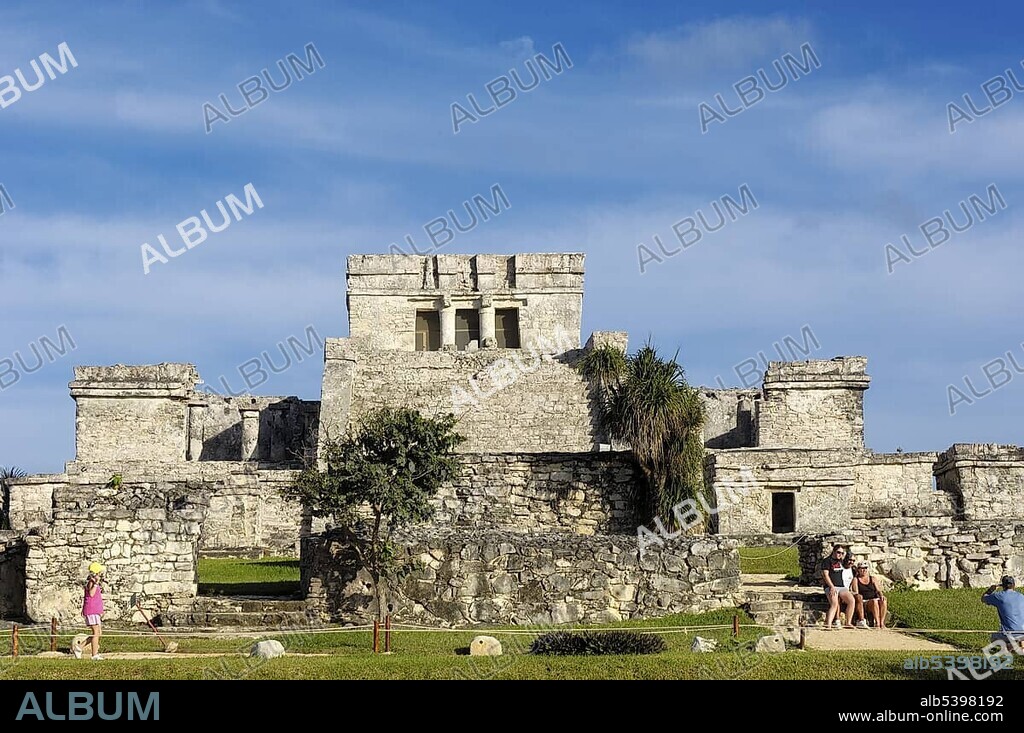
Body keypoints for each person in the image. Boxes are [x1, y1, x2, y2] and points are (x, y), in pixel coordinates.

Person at [982, 575, 1024, 650]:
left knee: (993, 638)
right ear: (1014, 585)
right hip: (1023, 632)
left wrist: (991, 590)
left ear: (1002, 586)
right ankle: (1019, 644)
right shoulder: (1021, 596)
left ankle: (1011, 646)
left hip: (1010, 633)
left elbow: (984, 598)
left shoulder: (999, 596)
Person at [820, 545, 856, 629]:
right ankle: (828, 623)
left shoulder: (841, 561)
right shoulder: (827, 561)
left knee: (851, 600)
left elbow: (849, 563)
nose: (840, 554)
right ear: (834, 551)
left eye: (842, 553)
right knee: (834, 603)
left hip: (841, 586)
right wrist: (831, 586)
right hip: (831, 586)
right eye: (838, 552)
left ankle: (848, 622)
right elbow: (825, 575)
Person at [76, 561, 105, 660]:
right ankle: (94, 655)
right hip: (91, 610)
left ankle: (79, 647)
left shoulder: (93, 582)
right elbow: (92, 594)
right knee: (96, 632)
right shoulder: (91, 582)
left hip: (95, 610)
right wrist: (96, 583)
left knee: (98, 632)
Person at [851, 561, 887, 628]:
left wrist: (881, 595)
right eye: (861, 568)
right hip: (865, 601)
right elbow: (856, 592)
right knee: (874, 602)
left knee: (883, 600)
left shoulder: (872, 578)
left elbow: (878, 590)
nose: (863, 570)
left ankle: (882, 622)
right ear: (858, 570)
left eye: (865, 568)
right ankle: (877, 623)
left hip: (874, 597)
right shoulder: (856, 579)